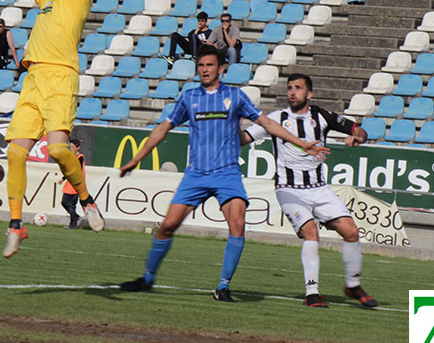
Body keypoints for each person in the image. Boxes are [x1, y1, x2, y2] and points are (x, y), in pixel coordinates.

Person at [117, 48, 328, 301]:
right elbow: (163, 128)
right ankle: (147, 278)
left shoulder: (235, 97)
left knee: (238, 224)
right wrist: (136, 159)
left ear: (221, 69)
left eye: (209, 65)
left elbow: (268, 124)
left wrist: (301, 143)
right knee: (168, 226)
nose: (204, 69)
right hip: (196, 174)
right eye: (201, 65)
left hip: (227, 174)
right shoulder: (189, 97)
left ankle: (223, 286)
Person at [2, 0, 104, 258]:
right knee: (15, 154)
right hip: (34, 78)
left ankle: (88, 200)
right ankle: (16, 226)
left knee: (59, 150)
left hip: (61, 77)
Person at [240, 74, 378, 309]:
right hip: (289, 189)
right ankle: (312, 293)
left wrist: (357, 137)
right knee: (311, 232)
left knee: (352, 232)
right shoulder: (276, 118)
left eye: (298, 88)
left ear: (309, 94)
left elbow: (358, 130)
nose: (292, 93)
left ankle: (352, 286)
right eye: (290, 88)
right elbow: (245, 138)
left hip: (319, 189)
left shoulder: (322, 116)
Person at [61, 139, 87, 228]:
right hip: (69, 184)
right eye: (70, 147)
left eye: (72, 147)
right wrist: (63, 178)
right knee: (64, 202)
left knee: (71, 204)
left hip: (76, 184)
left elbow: (76, 169)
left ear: (78, 148)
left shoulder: (80, 157)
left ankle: (73, 224)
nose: (70, 149)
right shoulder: (72, 157)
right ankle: (75, 217)